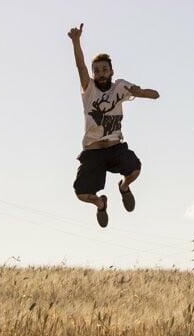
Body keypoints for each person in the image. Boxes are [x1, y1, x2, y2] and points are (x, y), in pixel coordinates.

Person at [67, 23, 160, 228]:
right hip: (93, 151)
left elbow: (147, 93)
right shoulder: (89, 89)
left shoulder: (120, 87)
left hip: (115, 147)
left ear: (111, 71)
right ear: (93, 74)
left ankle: (124, 187)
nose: (101, 73)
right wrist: (76, 41)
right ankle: (101, 203)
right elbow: (80, 67)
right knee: (82, 193)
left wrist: (143, 92)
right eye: (97, 70)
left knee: (135, 170)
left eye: (104, 69)